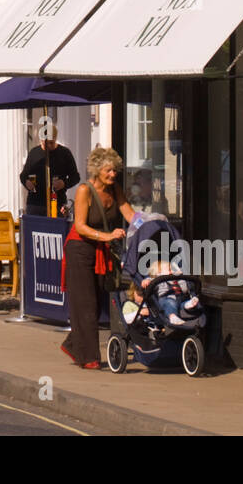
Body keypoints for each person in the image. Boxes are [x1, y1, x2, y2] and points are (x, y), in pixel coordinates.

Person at [61, 147, 136, 369]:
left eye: (115, 170)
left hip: (100, 249)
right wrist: (107, 236)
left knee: (95, 302)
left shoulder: (115, 190)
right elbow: (80, 226)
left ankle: (73, 344)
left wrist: (151, 223)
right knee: (85, 304)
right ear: (97, 170)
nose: (113, 175)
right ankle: (89, 358)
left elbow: (129, 213)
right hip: (79, 249)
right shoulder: (84, 190)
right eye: (108, 170)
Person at [20, 130, 81, 218]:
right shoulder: (34, 152)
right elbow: (23, 175)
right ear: (41, 140)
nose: (48, 146)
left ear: (56, 139)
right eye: (46, 144)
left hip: (56, 202)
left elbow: (75, 177)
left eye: (51, 143)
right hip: (35, 204)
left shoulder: (64, 153)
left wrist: (64, 183)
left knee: (55, 230)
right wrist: (26, 183)